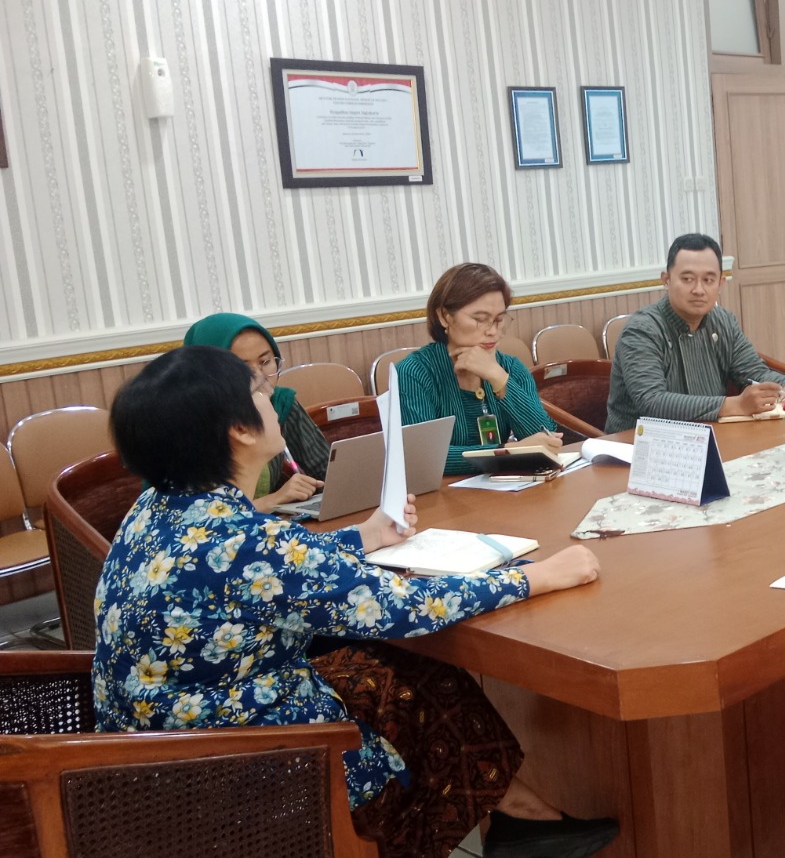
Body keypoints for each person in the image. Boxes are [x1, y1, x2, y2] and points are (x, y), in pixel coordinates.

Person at [94, 346, 618, 858]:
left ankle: (519, 818)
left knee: (397, 666)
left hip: (144, 751)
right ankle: (479, 824)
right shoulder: (242, 541)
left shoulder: (158, 509)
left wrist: (362, 539)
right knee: (409, 677)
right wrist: (537, 578)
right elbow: (401, 607)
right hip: (235, 765)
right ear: (237, 430)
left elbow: (265, 573)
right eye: (258, 390)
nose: (271, 394)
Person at [605, 233, 785, 433]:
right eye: (687, 279)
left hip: (707, 437)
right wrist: (734, 405)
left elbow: (755, 372)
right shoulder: (642, 330)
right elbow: (652, 402)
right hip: (638, 447)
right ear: (666, 280)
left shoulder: (724, 322)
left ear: (721, 284)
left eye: (708, 280)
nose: (699, 289)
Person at [397, 263, 562, 474]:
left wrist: (497, 377)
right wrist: (506, 452)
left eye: (499, 320)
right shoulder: (415, 372)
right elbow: (424, 457)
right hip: (442, 499)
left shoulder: (509, 367)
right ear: (444, 317)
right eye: (480, 320)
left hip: (504, 493)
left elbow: (545, 440)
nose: (493, 331)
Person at [184, 313, 329, 511]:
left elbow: (327, 472)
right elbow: (198, 519)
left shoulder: (279, 403)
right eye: (242, 369)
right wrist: (272, 500)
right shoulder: (185, 424)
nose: (259, 377)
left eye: (265, 362)